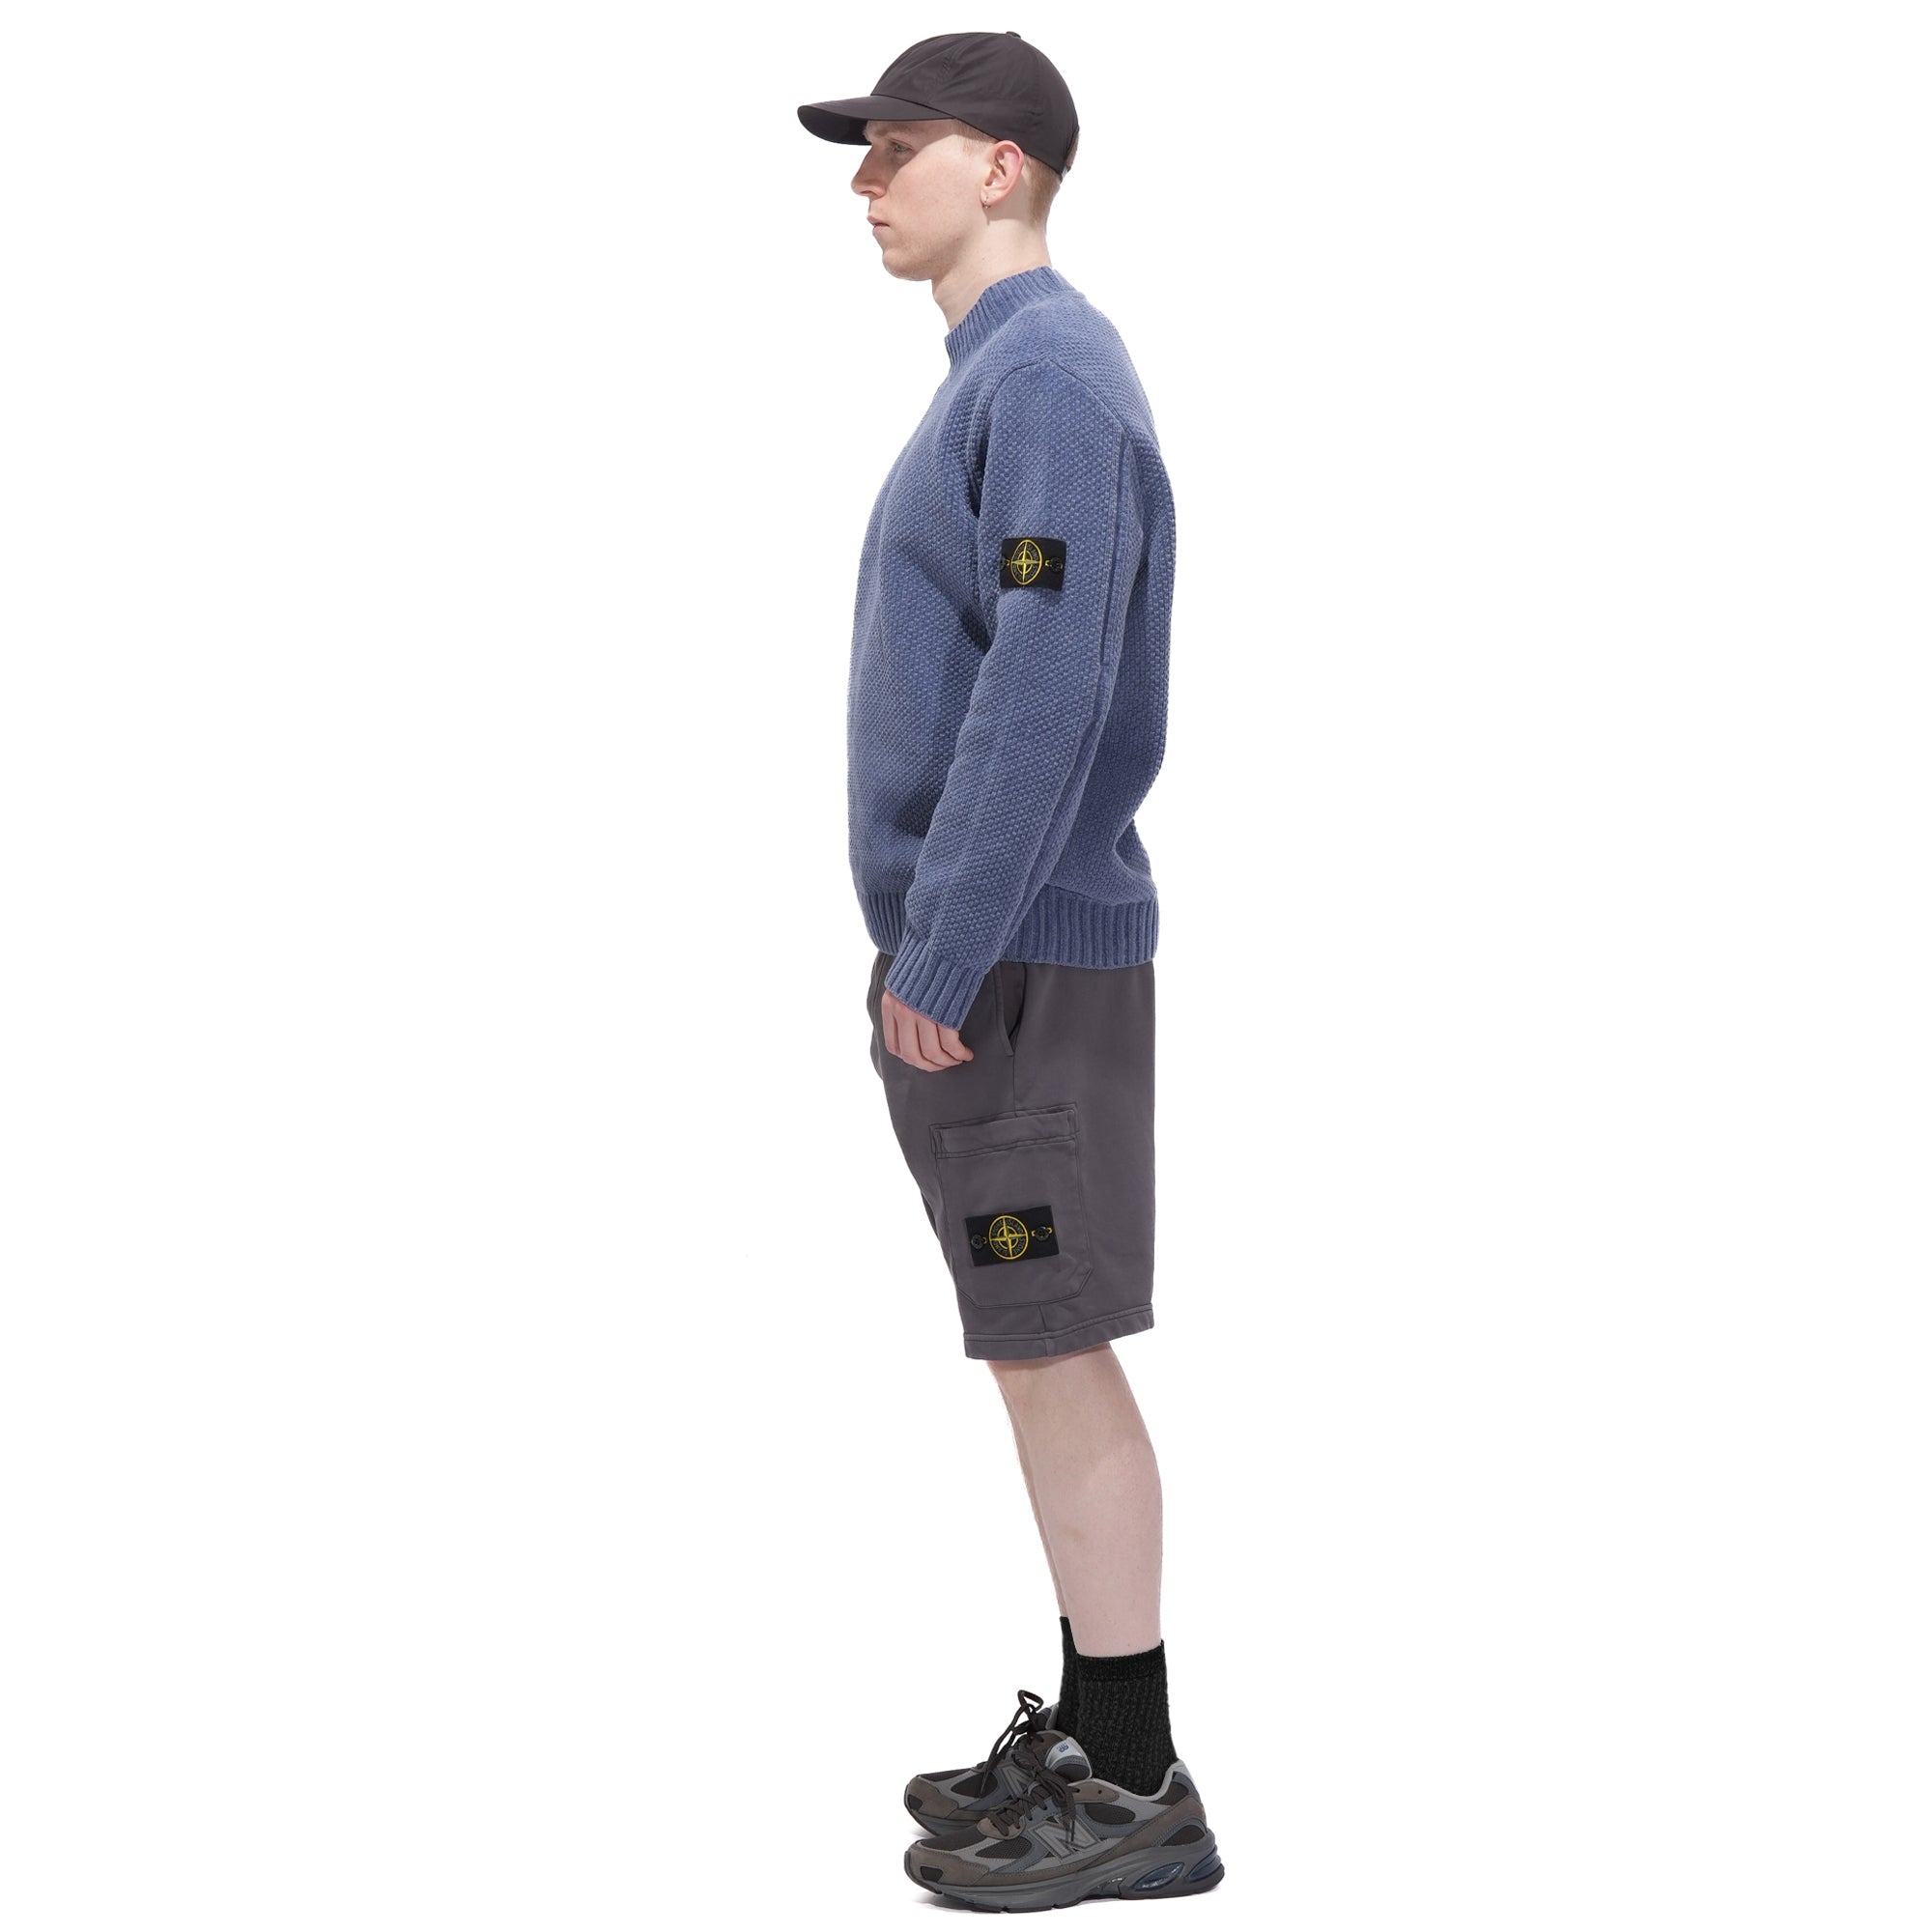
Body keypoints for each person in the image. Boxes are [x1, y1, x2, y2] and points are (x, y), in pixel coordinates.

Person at [799, 31, 1224, 1909]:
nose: (862, 180)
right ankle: (1099, 1733)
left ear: (1002, 165)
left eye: (896, 145)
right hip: (1004, 960)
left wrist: (946, 944)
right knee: (1031, 1344)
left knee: (1052, 1346)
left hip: (1015, 967)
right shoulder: (1005, 379)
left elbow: (1044, 688)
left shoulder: (1045, 376)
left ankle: (1131, 1783)